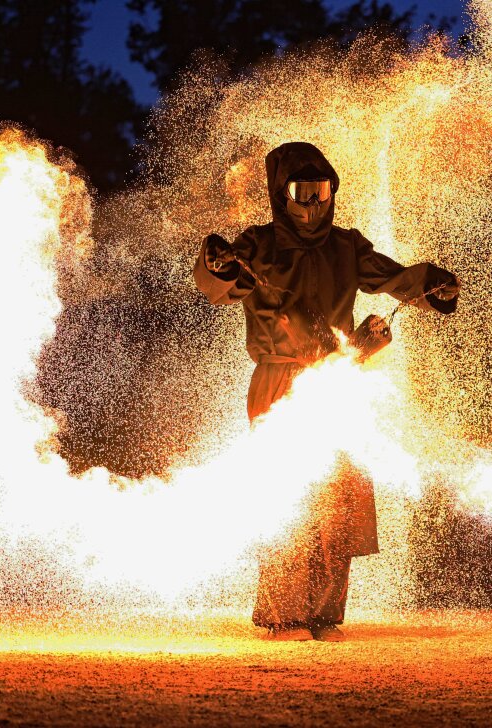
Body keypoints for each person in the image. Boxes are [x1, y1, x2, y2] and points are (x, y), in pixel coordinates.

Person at [194, 141, 459, 641]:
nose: (312, 203)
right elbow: (219, 280)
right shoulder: (258, 244)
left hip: (339, 377)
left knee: (341, 498)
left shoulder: (346, 247)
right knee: (288, 495)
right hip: (278, 380)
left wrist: (433, 285)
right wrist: (221, 263)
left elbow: (396, 278)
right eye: (301, 191)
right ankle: (283, 615)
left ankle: (324, 615)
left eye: (320, 191)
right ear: (281, 194)